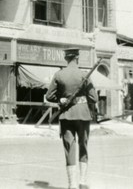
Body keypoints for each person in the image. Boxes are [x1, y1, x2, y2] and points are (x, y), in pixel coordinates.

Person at [45, 48, 97, 189]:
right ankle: (82, 182)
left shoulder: (59, 75)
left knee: (70, 148)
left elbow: (49, 96)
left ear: (66, 59)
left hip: (66, 115)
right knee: (83, 146)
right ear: (77, 58)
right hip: (83, 115)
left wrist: (61, 100)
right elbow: (94, 98)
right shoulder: (84, 75)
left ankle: (72, 185)